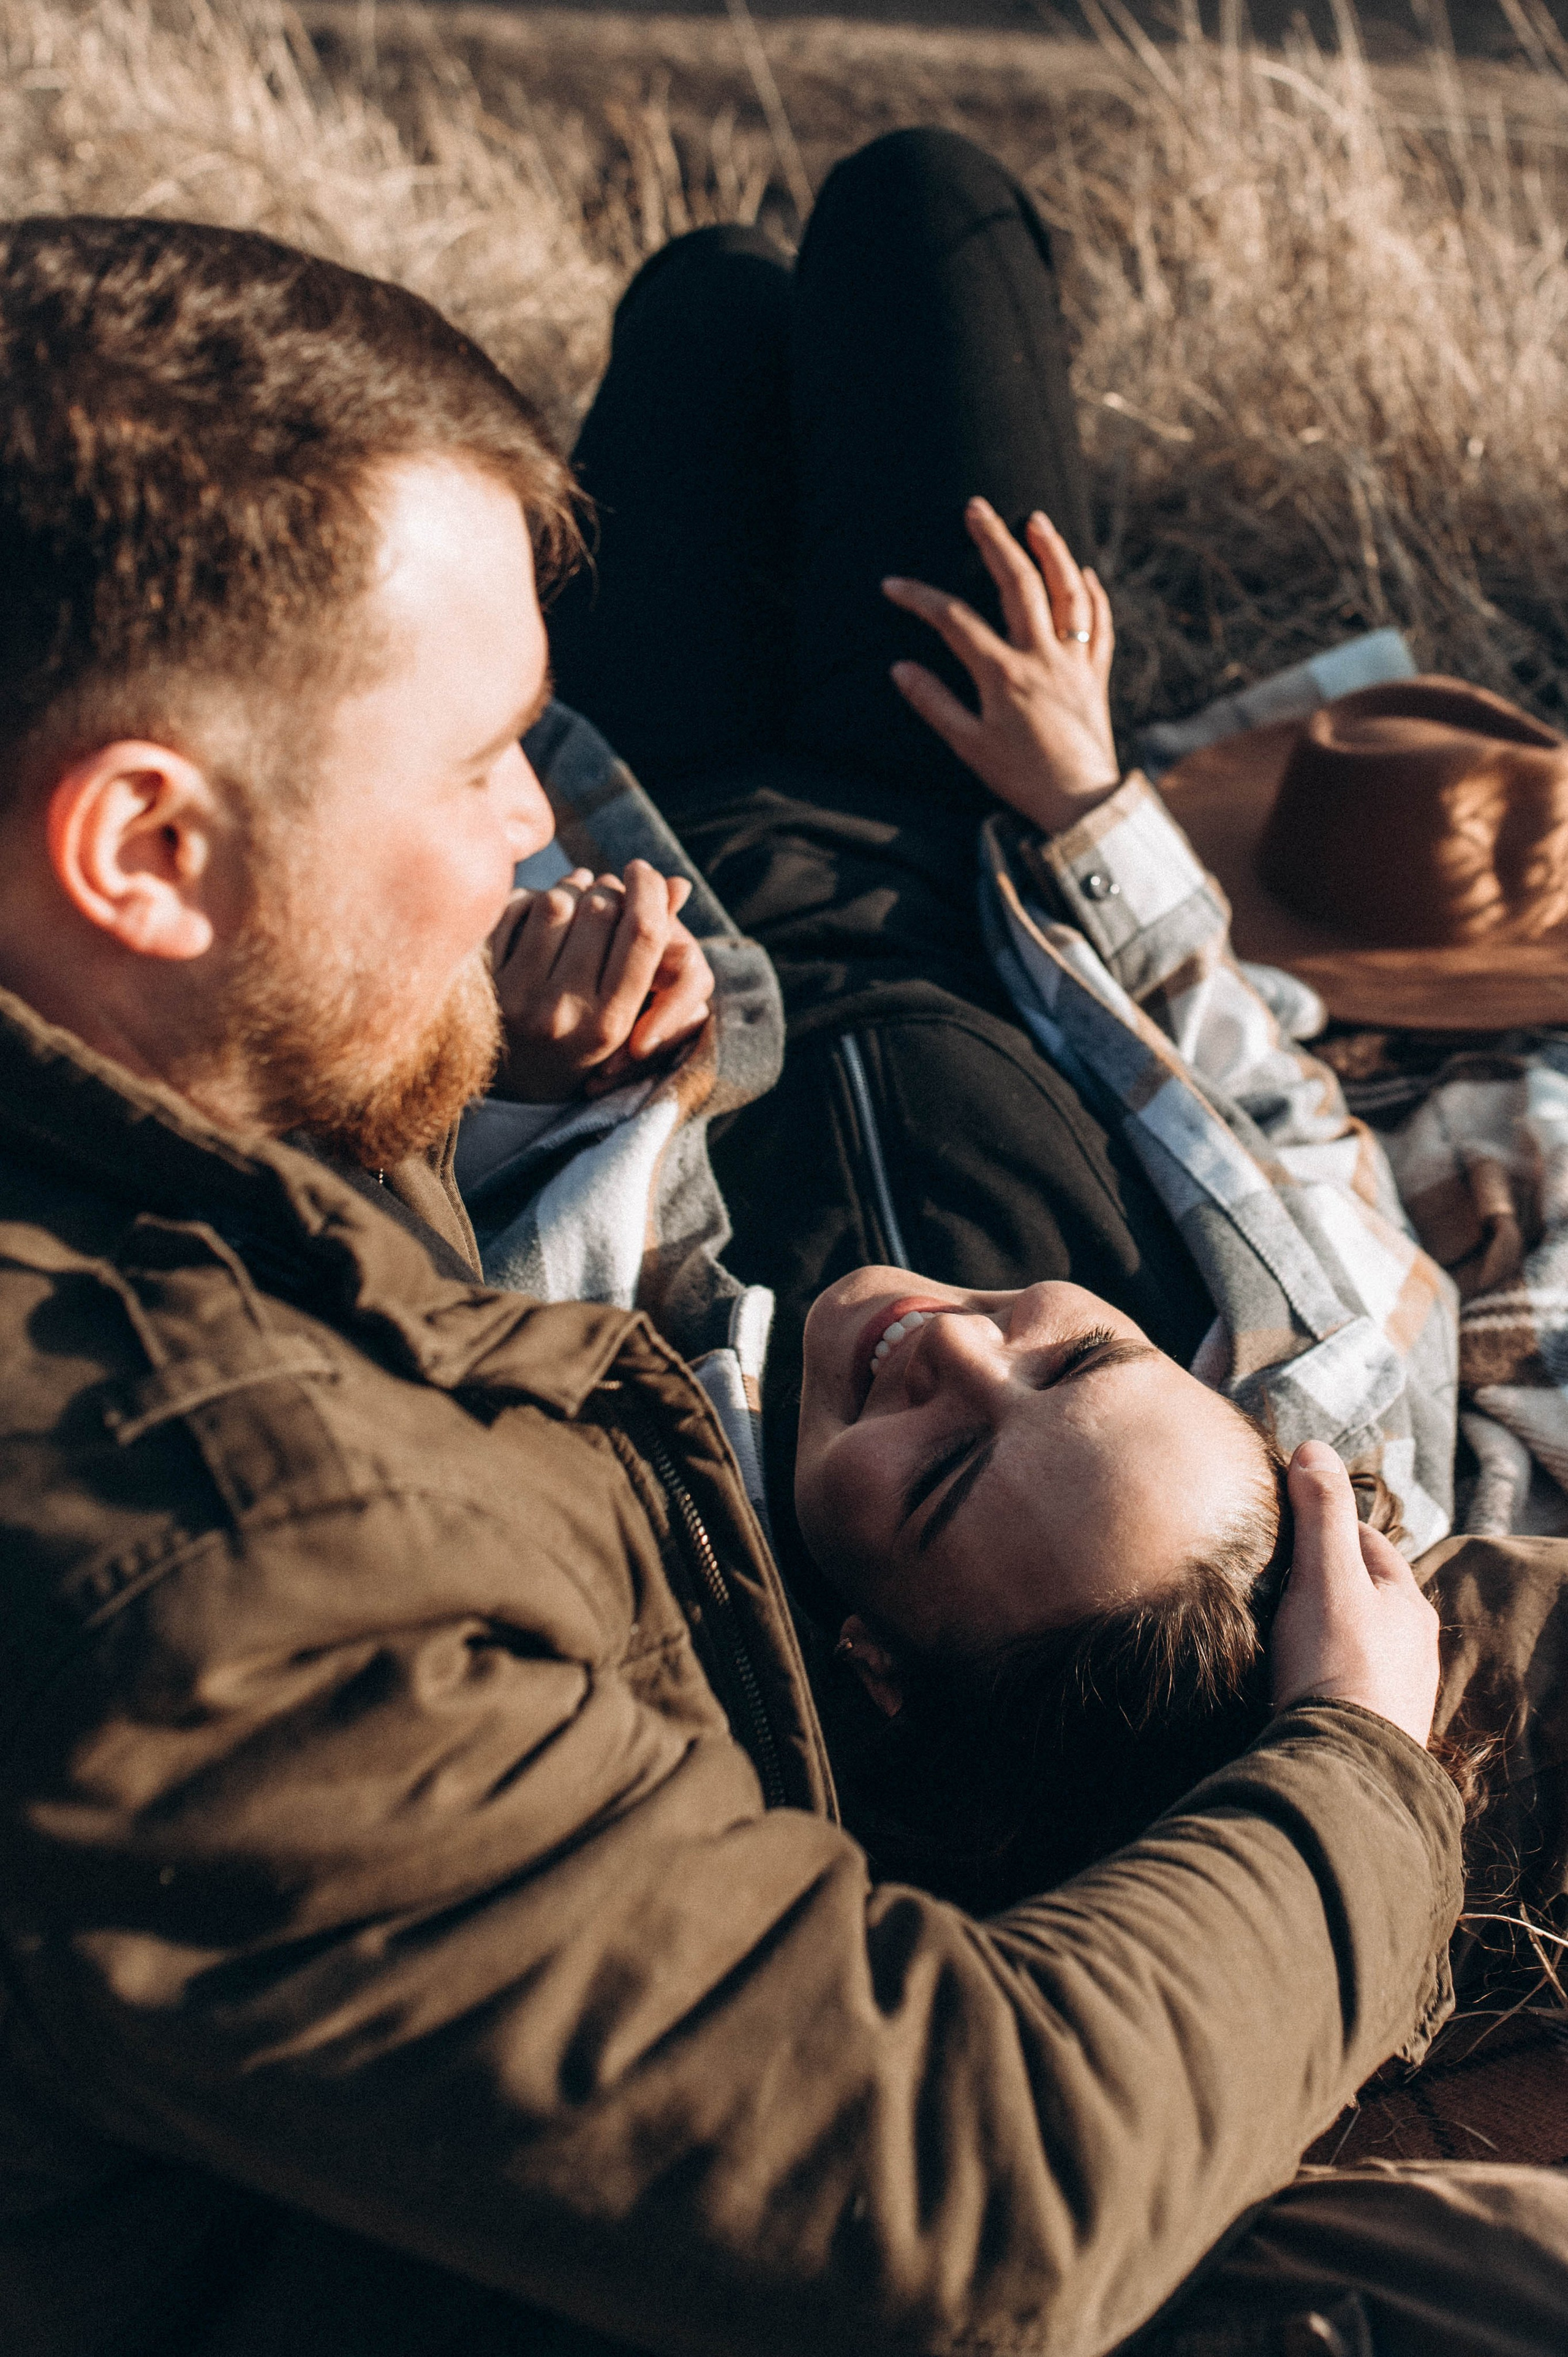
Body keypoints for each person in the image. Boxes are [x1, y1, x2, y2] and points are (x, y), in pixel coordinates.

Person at [0, 209, 1563, 2357]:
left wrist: (479, 1103)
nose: (521, 841)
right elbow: (979, 2207)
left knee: (720, 308)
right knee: (915, 219)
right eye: (478, 770)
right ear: (145, 855)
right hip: (910, 859)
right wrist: (1363, 1766)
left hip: (812, 896)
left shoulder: (190, 1223)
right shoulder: (227, 1577)